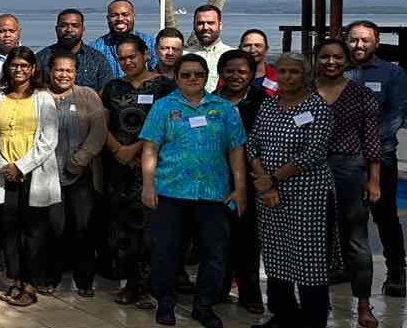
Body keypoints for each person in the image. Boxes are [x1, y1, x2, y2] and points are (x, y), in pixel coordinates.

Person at [140, 53, 246, 328]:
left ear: (206, 76)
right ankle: (165, 303)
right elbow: (150, 148)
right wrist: (148, 186)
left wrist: (240, 188)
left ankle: (204, 305)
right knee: (165, 251)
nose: (192, 79)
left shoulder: (224, 108)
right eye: (185, 74)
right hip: (170, 191)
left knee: (214, 253)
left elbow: (236, 149)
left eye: (198, 74)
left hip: (213, 193)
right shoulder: (163, 107)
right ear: (176, 78)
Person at [246, 54, 335, 328]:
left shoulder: (318, 108)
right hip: (268, 195)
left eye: (294, 71)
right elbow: (252, 145)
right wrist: (265, 182)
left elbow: (313, 153)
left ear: (305, 75)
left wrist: (272, 179)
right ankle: (283, 315)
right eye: (282, 71)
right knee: (275, 255)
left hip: (307, 195)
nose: (287, 76)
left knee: (309, 260)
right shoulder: (269, 105)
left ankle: (313, 319)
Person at [313, 37, 382, 328]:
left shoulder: (361, 94)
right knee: (315, 240)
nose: (331, 61)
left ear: (347, 60)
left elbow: (372, 140)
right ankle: (317, 301)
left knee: (356, 240)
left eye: (337, 57)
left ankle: (364, 304)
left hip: (350, 169)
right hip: (309, 170)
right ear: (316, 59)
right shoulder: (304, 92)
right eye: (325, 56)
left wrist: (374, 180)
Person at [101, 34, 174, 310]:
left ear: (145, 54)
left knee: (150, 229)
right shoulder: (113, 87)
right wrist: (118, 149)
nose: (127, 62)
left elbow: (167, 125)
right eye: (122, 58)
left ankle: (148, 287)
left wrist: (135, 149)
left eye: (132, 56)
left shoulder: (164, 86)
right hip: (119, 167)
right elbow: (102, 123)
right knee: (121, 228)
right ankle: (129, 284)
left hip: (152, 167)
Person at [0, 47, 60, 308]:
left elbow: (48, 140)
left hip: (34, 173)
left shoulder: (43, 98)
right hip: (5, 174)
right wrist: (4, 165)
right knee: (9, 231)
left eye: (24, 65)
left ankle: (31, 285)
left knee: (34, 232)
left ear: (33, 69)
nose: (19, 70)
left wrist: (21, 166)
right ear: (7, 67)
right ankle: (15, 280)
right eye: (14, 65)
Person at [345, 19, 407, 297]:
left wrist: (363, 146)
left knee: (385, 218)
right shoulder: (338, 70)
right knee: (343, 217)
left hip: (381, 160)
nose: (358, 45)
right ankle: (341, 267)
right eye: (353, 39)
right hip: (342, 161)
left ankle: (396, 271)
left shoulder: (393, 74)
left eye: (364, 40)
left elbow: (395, 116)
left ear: (376, 42)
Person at [44, 49, 108, 298]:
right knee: (54, 227)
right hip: (48, 174)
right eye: (59, 70)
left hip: (82, 173)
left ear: (76, 73)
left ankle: (84, 281)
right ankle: (51, 277)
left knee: (84, 227)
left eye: (68, 71)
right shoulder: (40, 96)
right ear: (50, 71)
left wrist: (81, 158)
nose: (63, 75)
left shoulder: (87, 95)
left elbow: (99, 130)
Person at [213, 49, 265, 316]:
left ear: (252, 74)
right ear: (221, 73)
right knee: (217, 237)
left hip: (252, 178)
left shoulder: (264, 102)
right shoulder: (210, 101)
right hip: (215, 178)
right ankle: (218, 288)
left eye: (242, 71)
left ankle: (250, 293)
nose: (235, 76)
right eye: (229, 71)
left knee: (248, 239)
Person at [36, 9, 113, 91]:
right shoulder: (42, 58)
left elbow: (107, 91)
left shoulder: (97, 60)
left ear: (83, 30)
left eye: (75, 26)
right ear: (56, 29)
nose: (69, 29)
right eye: (64, 25)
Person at [90, 0, 154, 75]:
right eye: (114, 15)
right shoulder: (95, 48)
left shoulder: (150, 43)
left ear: (133, 16)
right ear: (108, 18)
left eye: (125, 14)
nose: (120, 19)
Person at [184, 6, 234, 90]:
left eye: (210, 23)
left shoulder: (233, 56)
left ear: (220, 25)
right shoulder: (184, 55)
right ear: (194, 26)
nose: (205, 27)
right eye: (200, 23)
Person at [237, 30, 277, 97]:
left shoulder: (278, 77)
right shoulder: (229, 76)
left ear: (266, 49)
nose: (252, 50)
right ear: (240, 48)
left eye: (258, 45)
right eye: (247, 46)